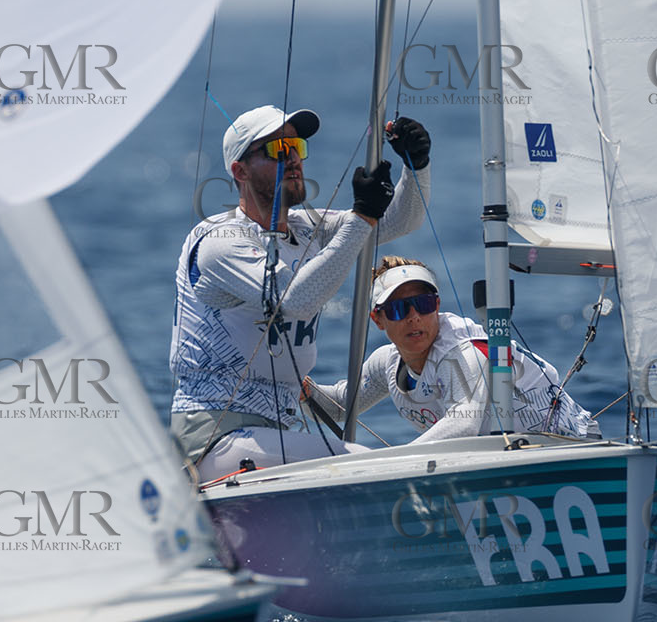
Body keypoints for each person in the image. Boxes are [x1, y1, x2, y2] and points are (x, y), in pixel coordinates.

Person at [170, 105, 432, 480]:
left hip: (273, 432)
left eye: (296, 147)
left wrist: (416, 165)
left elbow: (401, 220)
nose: (292, 158)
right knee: (363, 463)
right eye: (277, 150)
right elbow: (295, 300)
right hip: (214, 439)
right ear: (240, 172)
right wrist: (362, 216)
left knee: (363, 462)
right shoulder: (220, 242)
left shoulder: (307, 228)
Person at [304, 257, 595, 442]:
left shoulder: (461, 354)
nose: (414, 317)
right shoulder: (386, 364)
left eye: (424, 304)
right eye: (399, 309)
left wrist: (391, 465)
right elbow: (339, 406)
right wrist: (297, 386)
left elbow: (463, 425)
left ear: (437, 306)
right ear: (377, 319)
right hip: (508, 461)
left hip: (573, 446)